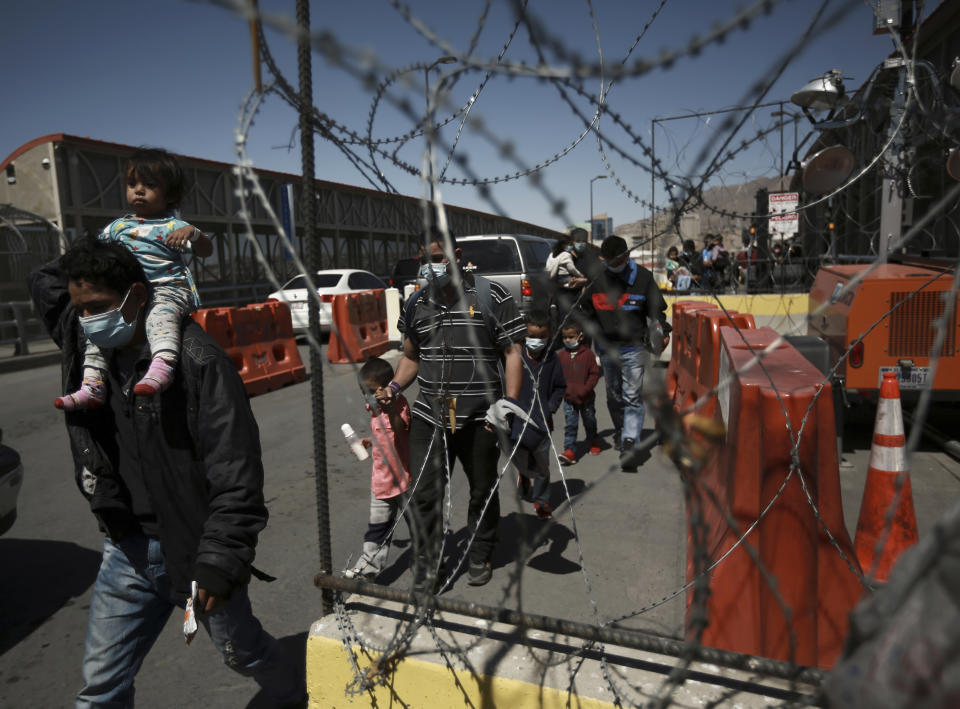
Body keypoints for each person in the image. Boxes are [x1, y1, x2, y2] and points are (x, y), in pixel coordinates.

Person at [27, 238, 306, 709]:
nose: (88, 320)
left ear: (138, 296)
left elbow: (235, 472)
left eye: (98, 308)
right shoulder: (87, 349)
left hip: (193, 547)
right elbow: (45, 283)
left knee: (243, 653)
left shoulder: (197, 360)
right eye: (80, 310)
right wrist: (127, 232)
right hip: (126, 549)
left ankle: (293, 691)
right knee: (100, 687)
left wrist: (219, 562)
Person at [386, 224, 526, 588]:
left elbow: (512, 352)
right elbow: (411, 357)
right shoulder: (417, 302)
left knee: (482, 488)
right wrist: (394, 385)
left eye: (438, 258)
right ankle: (428, 564)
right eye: (426, 260)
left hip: (481, 416)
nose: (431, 266)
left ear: (456, 257)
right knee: (424, 495)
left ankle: (479, 552)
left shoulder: (491, 296)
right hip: (429, 416)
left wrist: (508, 405)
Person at [55, 147, 213, 411]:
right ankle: (93, 385)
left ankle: (162, 366)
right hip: (131, 294)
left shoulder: (172, 227)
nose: (138, 190)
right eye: (132, 184)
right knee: (97, 328)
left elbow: (205, 251)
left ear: (170, 194)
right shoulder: (117, 227)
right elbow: (96, 252)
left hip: (167, 290)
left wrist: (194, 234)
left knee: (160, 317)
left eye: (149, 185)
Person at [578, 235, 671, 472]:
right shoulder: (597, 279)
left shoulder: (643, 278)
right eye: (607, 261)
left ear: (626, 257)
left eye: (615, 261)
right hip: (607, 349)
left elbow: (657, 311)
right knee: (613, 396)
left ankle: (630, 442)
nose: (612, 266)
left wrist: (662, 329)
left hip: (634, 348)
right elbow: (586, 312)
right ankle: (621, 432)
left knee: (631, 396)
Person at [344, 357, 412, 580]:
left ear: (386, 388)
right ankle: (368, 571)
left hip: (405, 483)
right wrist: (369, 441)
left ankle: (428, 564)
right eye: (363, 391)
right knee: (377, 529)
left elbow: (400, 431)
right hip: (381, 483)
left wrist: (390, 406)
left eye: (371, 391)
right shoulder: (372, 408)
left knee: (419, 527)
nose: (367, 397)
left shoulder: (399, 406)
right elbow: (384, 435)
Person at [506, 309, 565, 518]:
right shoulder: (516, 356)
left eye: (542, 337)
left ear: (549, 335)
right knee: (522, 459)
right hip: (516, 424)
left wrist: (550, 407)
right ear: (524, 334)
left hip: (541, 425)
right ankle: (524, 475)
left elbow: (560, 387)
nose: (536, 341)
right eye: (532, 336)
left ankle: (542, 501)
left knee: (542, 465)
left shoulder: (551, 359)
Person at [557, 322, 601, 465]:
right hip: (569, 399)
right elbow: (557, 377)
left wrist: (585, 389)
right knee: (570, 424)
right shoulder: (561, 356)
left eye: (571, 337)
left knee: (589, 421)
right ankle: (569, 451)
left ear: (580, 337)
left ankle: (592, 440)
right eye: (565, 337)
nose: (567, 340)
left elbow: (594, 374)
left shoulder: (588, 354)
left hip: (586, 398)